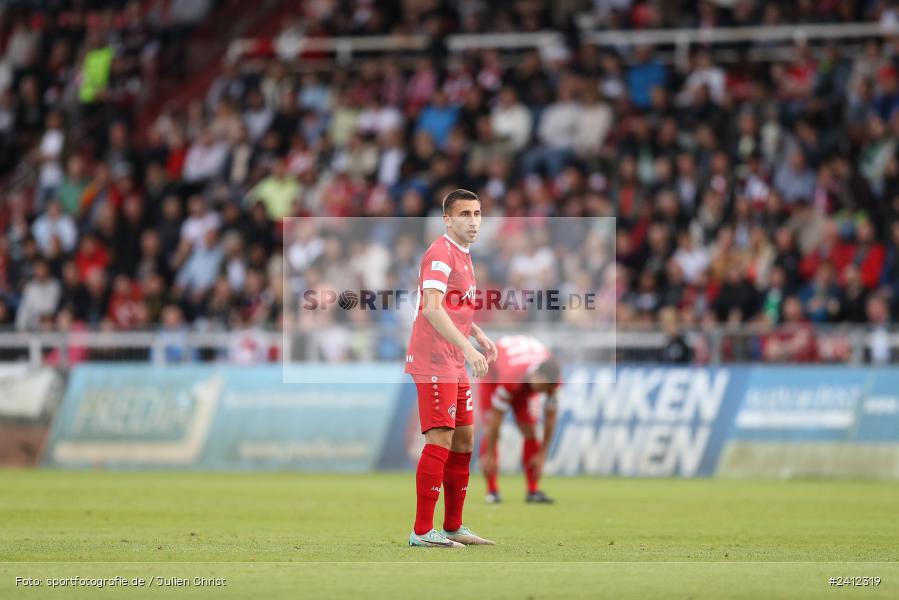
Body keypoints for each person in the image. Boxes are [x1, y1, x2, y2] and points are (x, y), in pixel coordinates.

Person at [404, 189, 497, 548]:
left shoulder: (464, 255)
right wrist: (467, 346)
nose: (473, 221)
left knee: (464, 439)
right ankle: (423, 531)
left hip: (452, 357)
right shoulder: (440, 254)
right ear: (447, 219)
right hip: (433, 358)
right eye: (464, 215)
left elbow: (453, 306)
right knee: (440, 437)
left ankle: (454, 525)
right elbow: (430, 307)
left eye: (476, 213)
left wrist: (477, 333)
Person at [477, 335, 561, 504]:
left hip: (523, 374)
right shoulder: (511, 377)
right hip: (493, 379)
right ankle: (492, 490)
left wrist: (542, 454)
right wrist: (491, 454)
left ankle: (533, 490)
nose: (543, 392)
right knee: (492, 430)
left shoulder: (552, 381)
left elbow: (551, 419)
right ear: (538, 376)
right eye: (542, 388)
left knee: (529, 429)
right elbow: (496, 420)